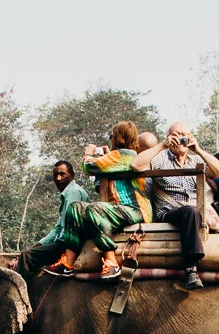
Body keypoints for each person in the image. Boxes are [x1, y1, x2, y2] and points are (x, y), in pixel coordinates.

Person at [45, 120, 153, 280]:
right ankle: (68, 263)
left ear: (118, 138)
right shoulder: (116, 157)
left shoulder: (126, 155)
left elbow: (88, 166)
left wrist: (88, 153)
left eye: (111, 136)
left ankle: (111, 262)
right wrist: (107, 156)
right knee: (75, 208)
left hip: (135, 210)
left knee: (94, 208)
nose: (110, 139)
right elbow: (99, 184)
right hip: (116, 209)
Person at [144, 123, 211, 289]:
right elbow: (135, 166)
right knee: (190, 211)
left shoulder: (196, 160)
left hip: (197, 211)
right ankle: (191, 268)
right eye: (175, 135)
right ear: (168, 137)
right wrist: (163, 145)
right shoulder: (160, 158)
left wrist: (198, 149)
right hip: (170, 212)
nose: (180, 139)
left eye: (183, 135)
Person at [17, 160, 91, 276]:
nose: (58, 178)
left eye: (62, 174)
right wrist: (35, 247)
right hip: (64, 242)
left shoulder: (73, 192)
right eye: (55, 175)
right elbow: (58, 229)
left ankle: (22, 288)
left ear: (72, 175)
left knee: (27, 257)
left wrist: (28, 252)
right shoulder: (68, 193)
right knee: (27, 253)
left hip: (71, 244)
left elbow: (69, 228)